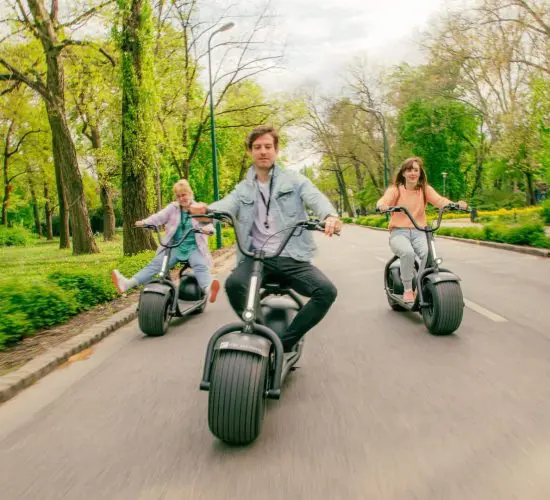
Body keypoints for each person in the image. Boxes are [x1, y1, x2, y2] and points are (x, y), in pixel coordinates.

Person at [189, 125, 342, 352]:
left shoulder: (294, 180)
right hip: (258, 258)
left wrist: (329, 216)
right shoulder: (243, 189)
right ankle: (263, 336)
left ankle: (284, 343)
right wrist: (206, 211)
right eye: (258, 147)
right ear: (250, 151)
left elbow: (315, 198)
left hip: (291, 256)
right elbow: (226, 206)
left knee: (326, 292)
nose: (263, 151)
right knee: (233, 285)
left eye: (268, 146)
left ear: (276, 151)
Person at [111, 179, 220, 304]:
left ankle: (209, 289)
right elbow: (159, 217)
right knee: (156, 265)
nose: (181, 198)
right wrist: (145, 222)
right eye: (178, 196)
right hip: (175, 247)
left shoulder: (198, 209)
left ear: (190, 194)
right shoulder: (173, 208)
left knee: (200, 265)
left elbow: (208, 224)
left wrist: (207, 229)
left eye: (184, 195)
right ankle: (126, 284)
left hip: (194, 247)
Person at [376, 157, 467, 302]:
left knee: (427, 254)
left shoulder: (424, 190)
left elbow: (439, 201)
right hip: (399, 232)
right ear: (404, 173)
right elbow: (384, 200)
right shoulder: (395, 190)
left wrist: (455, 204)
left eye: (416, 170)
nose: (413, 173)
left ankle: (420, 286)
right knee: (407, 253)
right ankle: (407, 289)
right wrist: (382, 205)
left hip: (419, 231)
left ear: (420, 173)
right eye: (409, 170)